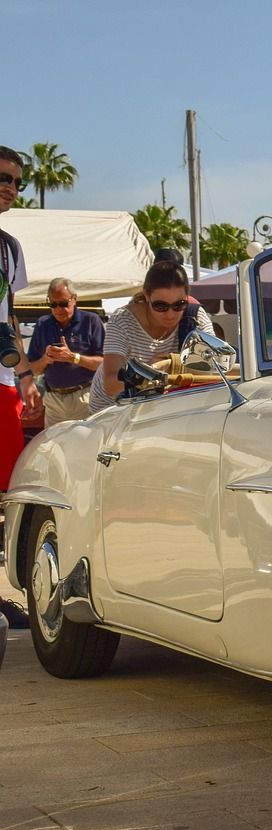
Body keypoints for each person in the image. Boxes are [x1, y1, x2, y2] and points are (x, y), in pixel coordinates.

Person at [0, 145, 40, 628]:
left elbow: (8, 315)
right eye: (2, 178)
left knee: (6, 490)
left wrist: (26, 373)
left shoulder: (9, 248)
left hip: (3, 380)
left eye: (16, 181)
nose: (10, 188)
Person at [88, 260, 213, 414]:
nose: (170, 314)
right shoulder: (122, 321)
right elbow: (111, 384)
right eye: (160, 306)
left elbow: (215, 368)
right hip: (113, 409)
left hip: (163, 405)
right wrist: (147, 372)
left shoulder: (195, 318)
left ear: (187, 296)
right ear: (147, 295)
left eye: (179, 304)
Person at [26, 278, 104, 423]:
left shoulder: (91, 321)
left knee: (87, 438)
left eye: (63, 303)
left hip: (85, 397)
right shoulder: (43, 324)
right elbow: (32, 369)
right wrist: (45, 359)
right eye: (52, 304)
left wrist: (73, 357)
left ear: (74, 299)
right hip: (53, 400)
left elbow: (104, 364)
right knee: (52, 439)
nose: (58, 309)